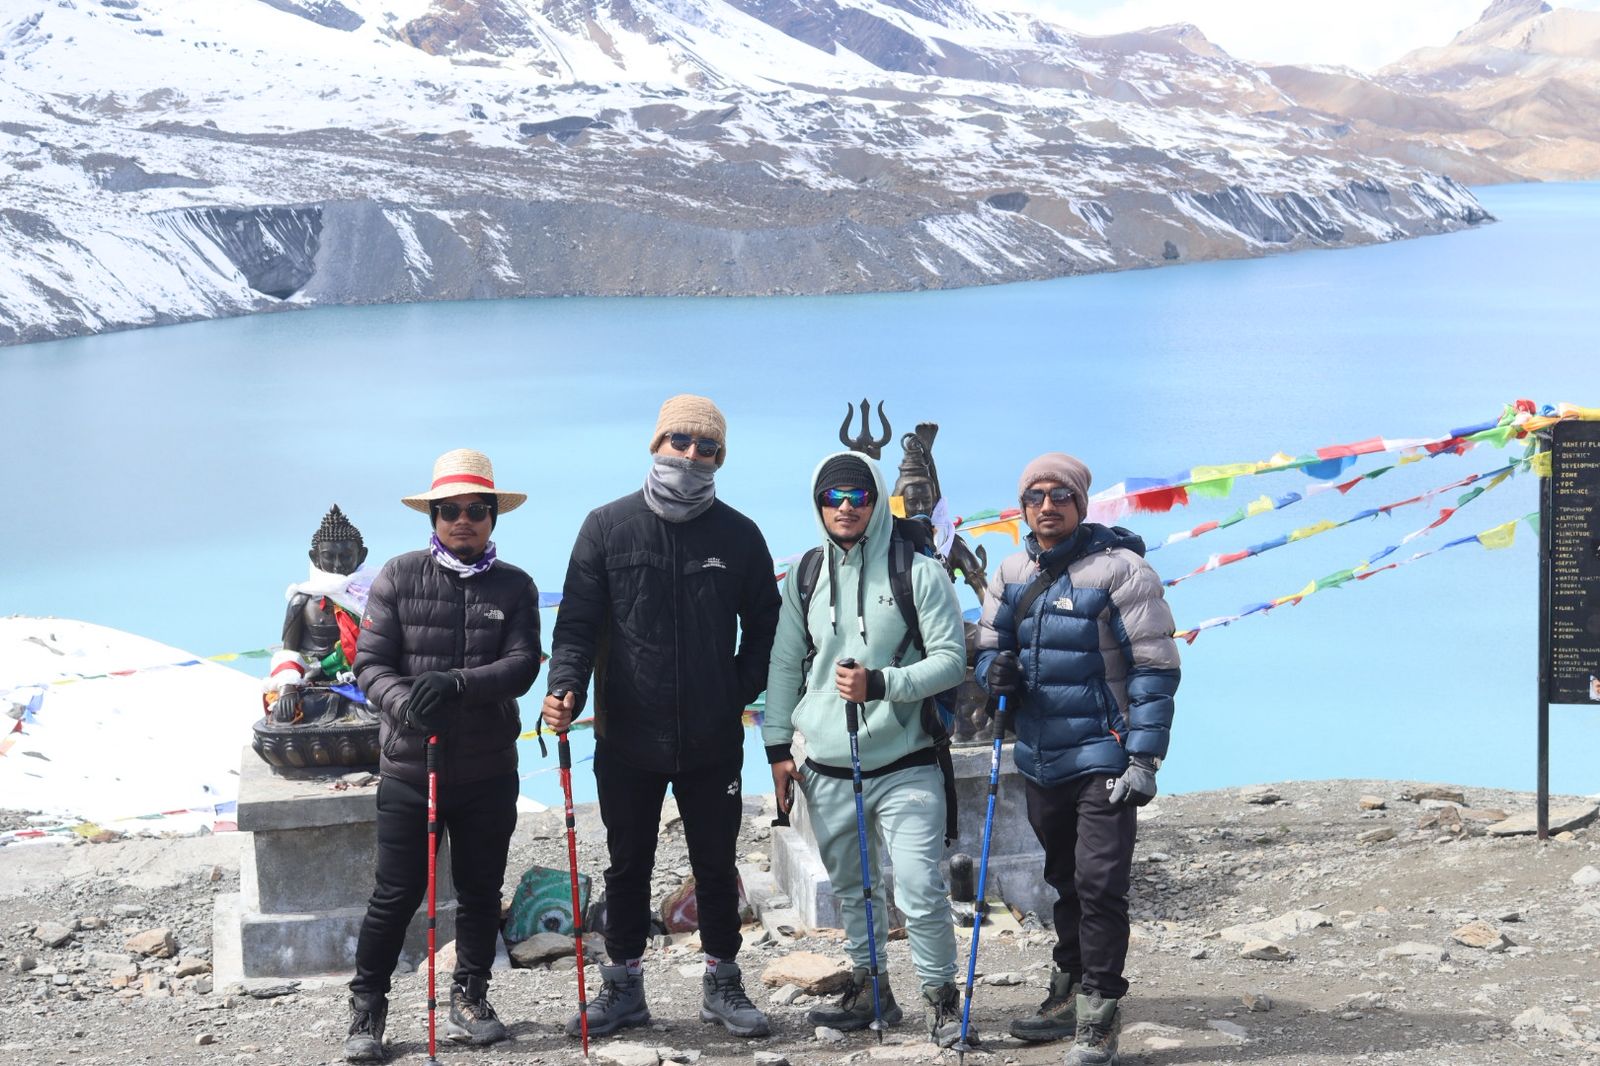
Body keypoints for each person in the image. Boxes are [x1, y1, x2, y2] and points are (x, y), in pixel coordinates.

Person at [543, 395, 781, 1040]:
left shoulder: (739, 535)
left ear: (720, 459)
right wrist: (564, 687)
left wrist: (737, 685)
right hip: (625, 732)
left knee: (715, 860)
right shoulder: (606, 527)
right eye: (681, 441)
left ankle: (724, 986)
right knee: (627, 863)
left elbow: (768, 625)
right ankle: (623, 989)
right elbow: (577, 627)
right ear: (657, 445)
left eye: (707, 448)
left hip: (712, 735)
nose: (693, 455)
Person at [974, 453, 1179, 1066]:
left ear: (1082, 504)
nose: (1047, 504)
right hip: (1039, 758)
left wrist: (1144, 756)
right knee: (1064, 878)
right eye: (1035, 494)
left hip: (1107, 756)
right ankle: (1067, 988)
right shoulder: (1010, 570)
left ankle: (1100, 1011)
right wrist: (994, 670)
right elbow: (988, 648)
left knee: (1100, 882)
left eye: (1060, 494)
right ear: (1023, 506)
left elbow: (1155, 668)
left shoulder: (1123, 572)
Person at [762, 450, 969, 1045]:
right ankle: (871, 988)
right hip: (826, 763)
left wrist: (884, 684)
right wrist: (778, 746)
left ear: (877, 503)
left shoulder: (919, 571)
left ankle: (941, 999)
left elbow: (952, 663)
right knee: (852, 888)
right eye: (833, 498)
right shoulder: (805, 574)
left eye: (858, 497)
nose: (846, 507)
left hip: (907, 762)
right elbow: (784, 665)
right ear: (818, 505)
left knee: (918, 886)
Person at [344, 449, 541, 1063]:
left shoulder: (515, 586)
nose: (463, 520)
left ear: (492, 518)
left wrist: (459, 684)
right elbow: (369, 664)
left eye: (476, 510)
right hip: (409, 767)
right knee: (396, 894)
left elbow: (522, 665)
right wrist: (405, 706)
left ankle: (471, 995)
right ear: (432, 515)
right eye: (450, 510)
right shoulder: (398, 577)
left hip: (487, 770)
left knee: (481, 891)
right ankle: (367, 1009)